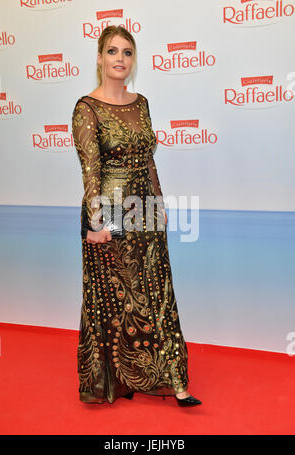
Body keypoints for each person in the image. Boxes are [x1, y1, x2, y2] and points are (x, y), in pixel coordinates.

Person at [71, 25, 202, 407]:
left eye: (127, 52)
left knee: (158, 291)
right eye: (112, 51)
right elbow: (90, 169)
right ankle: (117, 376)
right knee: (114, 297)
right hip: (109, 209)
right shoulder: (86, 108)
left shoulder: (141, 102)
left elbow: (147, 159)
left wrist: (158, 204)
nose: (120, 60)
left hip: (144, 207)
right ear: (99, 58)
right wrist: (96, 222)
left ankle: (176, 381)